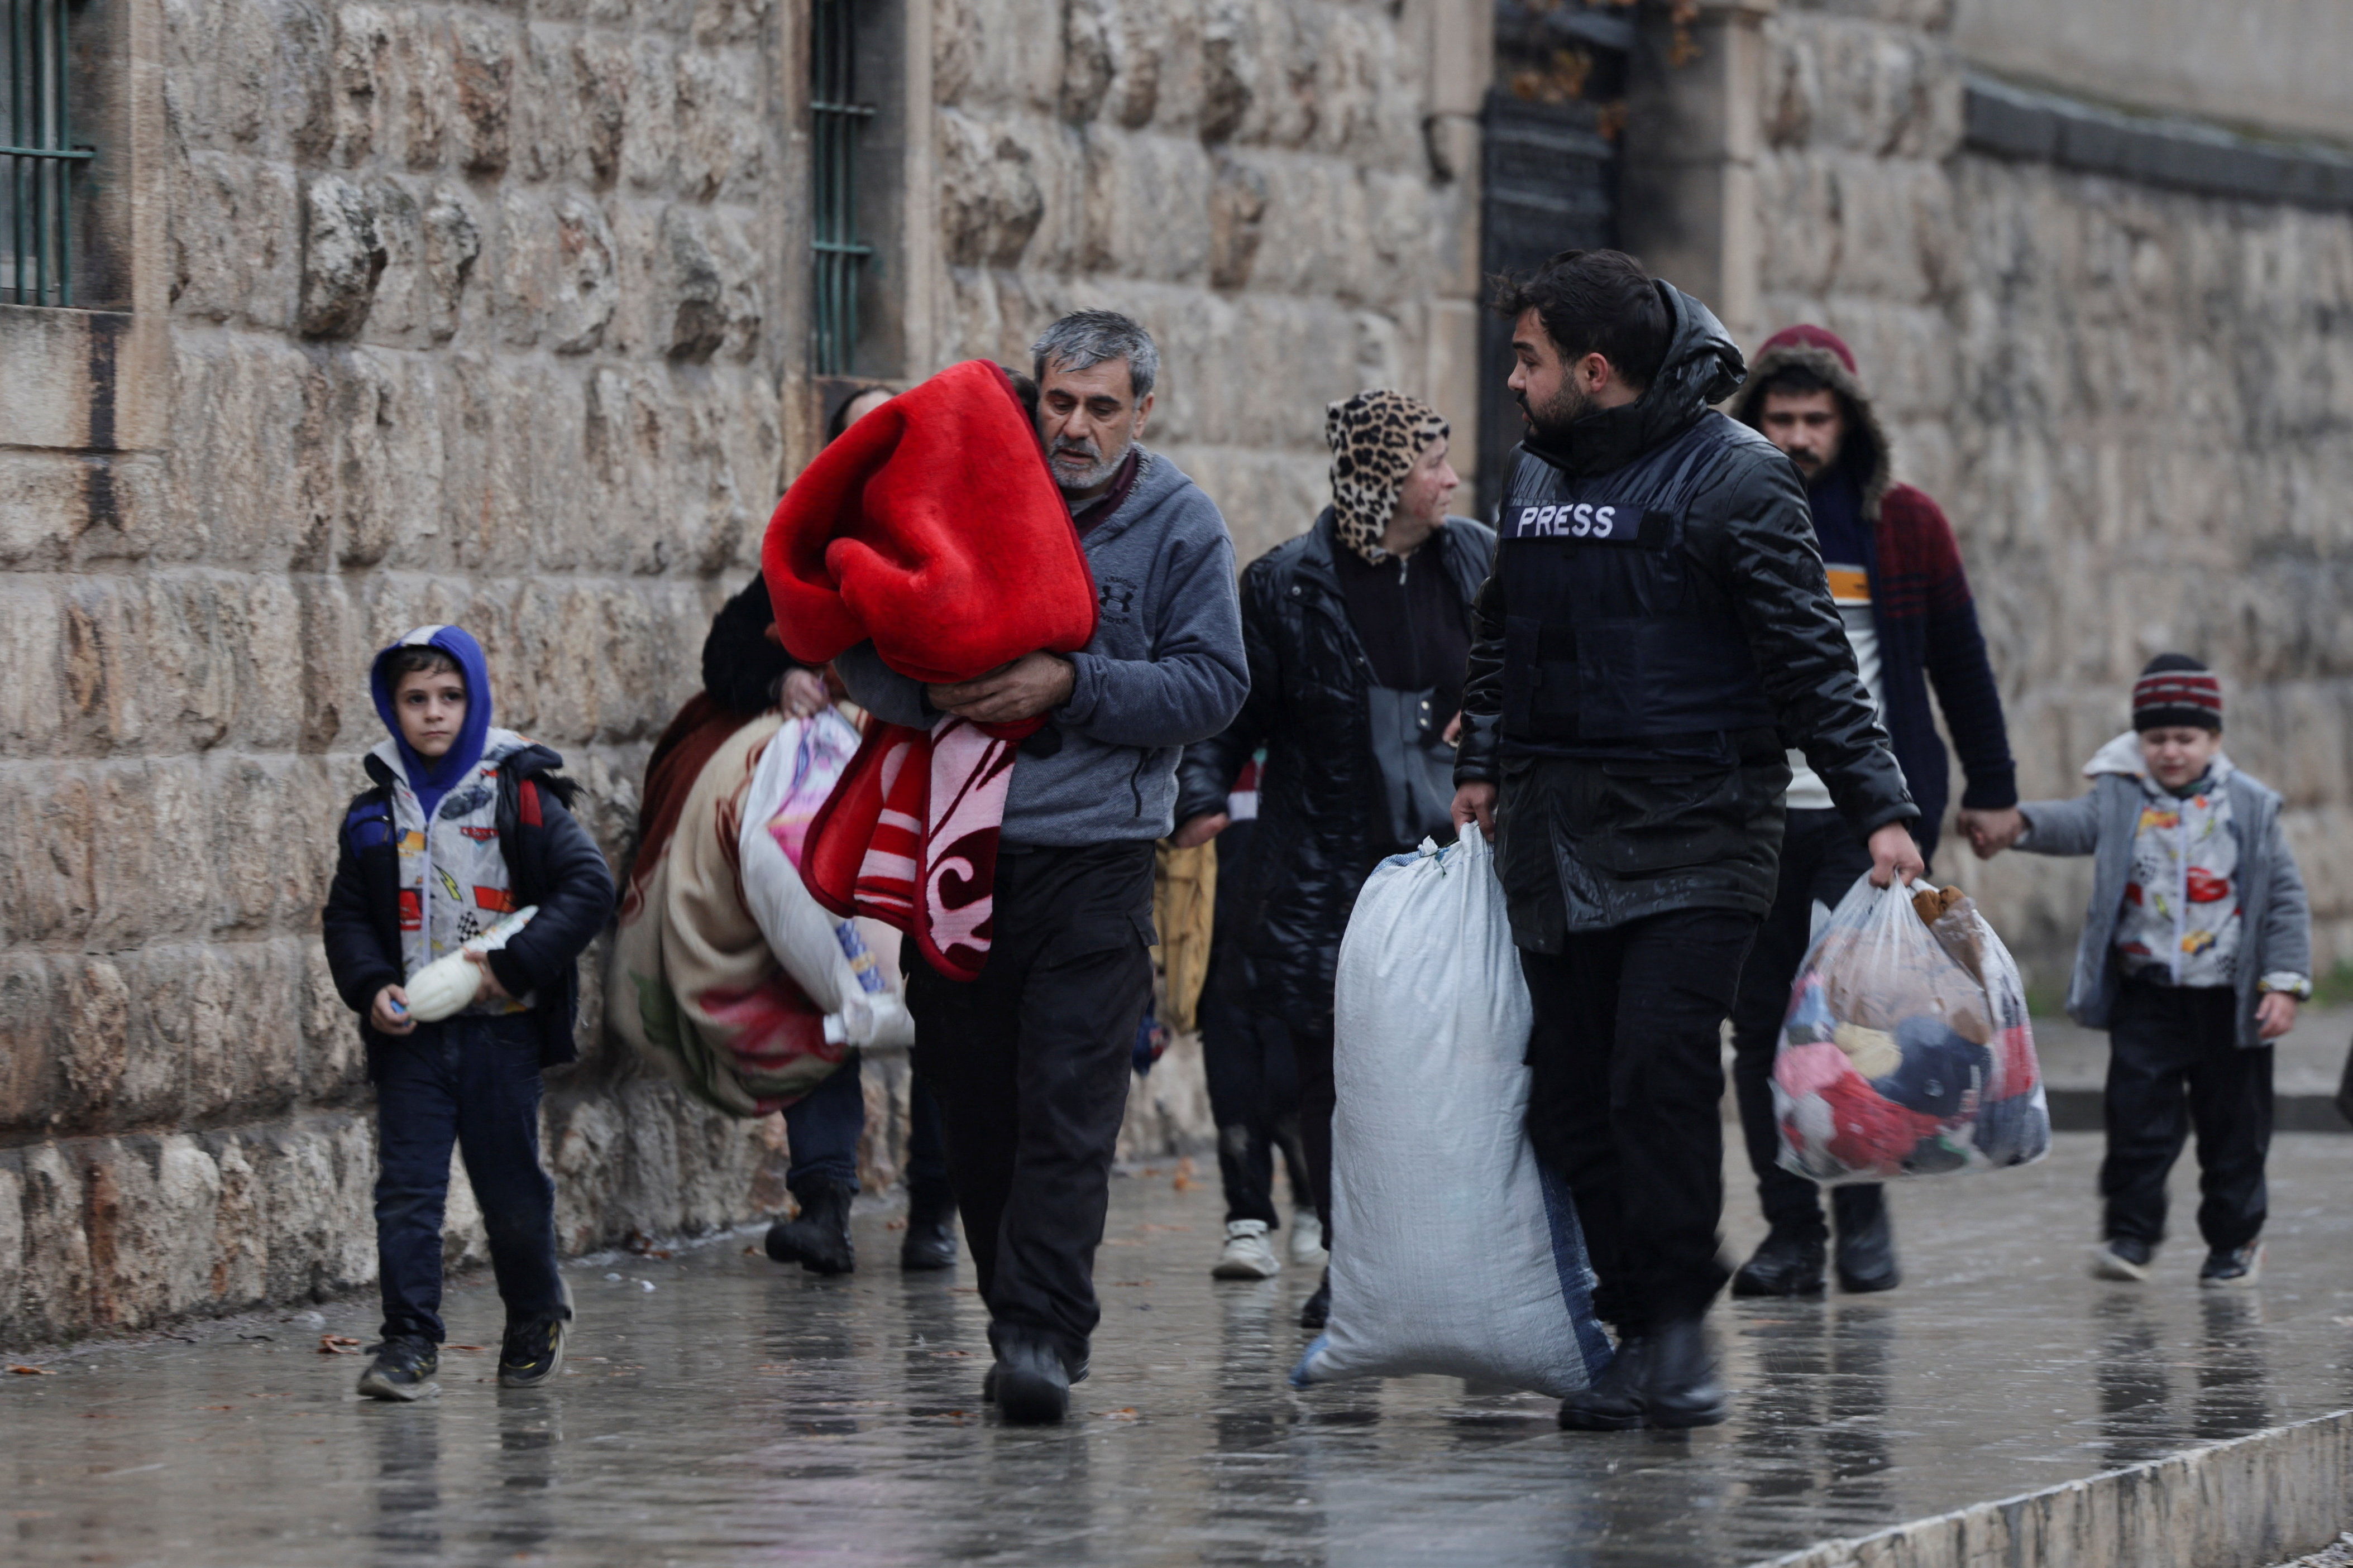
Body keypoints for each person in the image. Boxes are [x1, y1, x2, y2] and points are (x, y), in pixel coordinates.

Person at [1450, 250, 1922, 1432]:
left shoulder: (1736, 476)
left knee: (1656, 1075)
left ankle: (1673, 1328)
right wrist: (1479, 761)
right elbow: (1502, 632)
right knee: (1568, 1095)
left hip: (1698, 834)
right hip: (1554, 833)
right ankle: (1630, 1321)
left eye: (1527, 359)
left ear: (1592, 369)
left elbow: (1810, 658)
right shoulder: (1537, 467)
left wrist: (1878, 807)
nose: (1510, 380)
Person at [833, 311, 1248, 1422]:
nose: (1075, 426)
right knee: (973, 1106)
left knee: (1070, 1105)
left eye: (1101, 407)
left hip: (1099, 862)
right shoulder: (968, 495)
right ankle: (1012, 1307)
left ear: (1141, 411)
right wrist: (934, 689)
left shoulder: (1179, 523)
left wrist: (1071, 683)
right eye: (1059, 401)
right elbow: (858, 642)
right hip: (958, 854)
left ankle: (1041, 1335)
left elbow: (1214, 684)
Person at [1175, 390, 1493, 1318]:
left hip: (1455, 867)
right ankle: (1351, 1271)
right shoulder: (1283, 585)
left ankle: (1453, 1258)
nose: (1450, 478)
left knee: (1460, 1069)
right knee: (1330, 1072)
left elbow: (1532, 673)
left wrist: (1496, 726)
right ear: (1382, 480)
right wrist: (1198, 795)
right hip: (1327, 871)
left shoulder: (1479, 563)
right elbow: (1233, 719)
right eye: (1431, 463)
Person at [1719, 325, 2021, 1298]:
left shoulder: (1904, 525)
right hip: (1753, 812)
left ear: (1848, 423)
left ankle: (1860, 1215)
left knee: (1861, 1024)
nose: (1798, 437)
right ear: (1753, 421)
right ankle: (1789, 1232)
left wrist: (1992, 787)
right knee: (1761, 1025)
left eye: (1816, 418)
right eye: (1780, 418)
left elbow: (1958, 664)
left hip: (1870, 817)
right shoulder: (1722, 512)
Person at [699, 382, 962, 1276]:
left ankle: (935, 1211)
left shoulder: (957, 550)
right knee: (816, 981)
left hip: (929, 803)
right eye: (862, 440)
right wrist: (781, 681)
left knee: (941, 1002)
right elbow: (729, 652)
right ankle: (823, 1205)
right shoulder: (805, 560)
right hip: (823, 805)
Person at [323, 626, 618, 1401]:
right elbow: (347, 917)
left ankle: (534, 1313)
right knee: (407, 1194)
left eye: (450, 697)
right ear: (391, 707)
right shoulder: (374, 813)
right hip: (412, 1041)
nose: (433, 713)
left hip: (502, 1036)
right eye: (415, 698)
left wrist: (512, 967)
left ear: (475, 701)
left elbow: (587, 886)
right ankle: (409, 1343)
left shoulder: (520, 794)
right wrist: (370, 985)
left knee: (510, 1190)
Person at [1974, 655, 2311, 1288]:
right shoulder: (2121, 796)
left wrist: (2284, 983)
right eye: (2156, 738)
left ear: (2214, 738)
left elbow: (2286, 901)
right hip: (2147, 996)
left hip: (2229, 1001)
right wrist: (2018, 824)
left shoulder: (2249, 807)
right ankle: (2130, 1234)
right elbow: (2074, 824)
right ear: (2138, 740)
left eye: (2185, 738)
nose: (2170, 751)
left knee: (2234, 1130)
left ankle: (2234, 1242)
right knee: (2135, 1120)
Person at [1185, 763, 1322, 1283]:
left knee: (1292, 1093)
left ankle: (1312, 1204)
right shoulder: (1208, 764)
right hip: (1222, 956)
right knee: (1233, 1095)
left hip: (1298, 956)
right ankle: (1247, 1220)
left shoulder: (1314, 754)